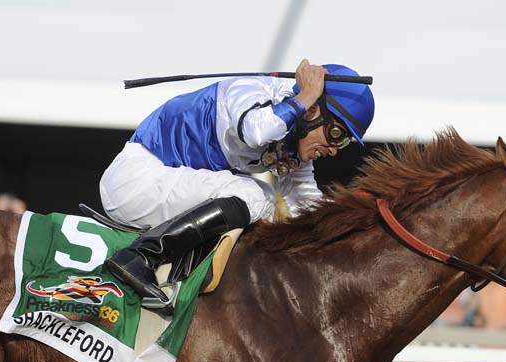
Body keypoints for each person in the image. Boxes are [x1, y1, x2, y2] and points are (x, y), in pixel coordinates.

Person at [100, 59, 374, 301]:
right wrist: (307, 95)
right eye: (337, 134)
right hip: (135, 182)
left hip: (165, 189)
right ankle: (142, 256)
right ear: (314, 110)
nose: (335, 149)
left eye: (345, 141)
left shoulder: (294, 146)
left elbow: (305, 207)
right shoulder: (248, 90)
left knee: (271, 209)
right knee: (258, 195)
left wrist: (351, 245)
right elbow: (256, 132)